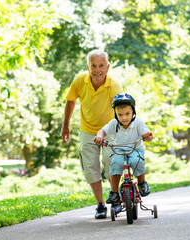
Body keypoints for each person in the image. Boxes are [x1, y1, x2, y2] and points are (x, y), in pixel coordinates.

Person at [61, 49, 123, 219]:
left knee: (111, 163)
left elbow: (122, 110)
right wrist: (65, 126)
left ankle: (116, 199)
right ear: (88, 67)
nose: (97, 70)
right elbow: (70, 101)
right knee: (90, 168)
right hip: (87, 130)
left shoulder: (114, 85)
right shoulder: (80, 81)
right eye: (94, 66)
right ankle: (100, 205)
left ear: (107, 67)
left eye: (101, 66)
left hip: (110, 129)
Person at [93, 93, 153, 207]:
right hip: (118, 150)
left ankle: (141, 183)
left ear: (133, 112)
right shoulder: (114, 123)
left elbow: (149, 136)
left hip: (135, 149)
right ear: (116, 114)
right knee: (115, 163)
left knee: (137, 161)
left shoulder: (138, 123)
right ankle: (114, 192)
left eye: (127, 114)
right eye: (120, 115)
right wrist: (99, 136)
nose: (124, 117)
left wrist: (146, 136)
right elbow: (102, 130)